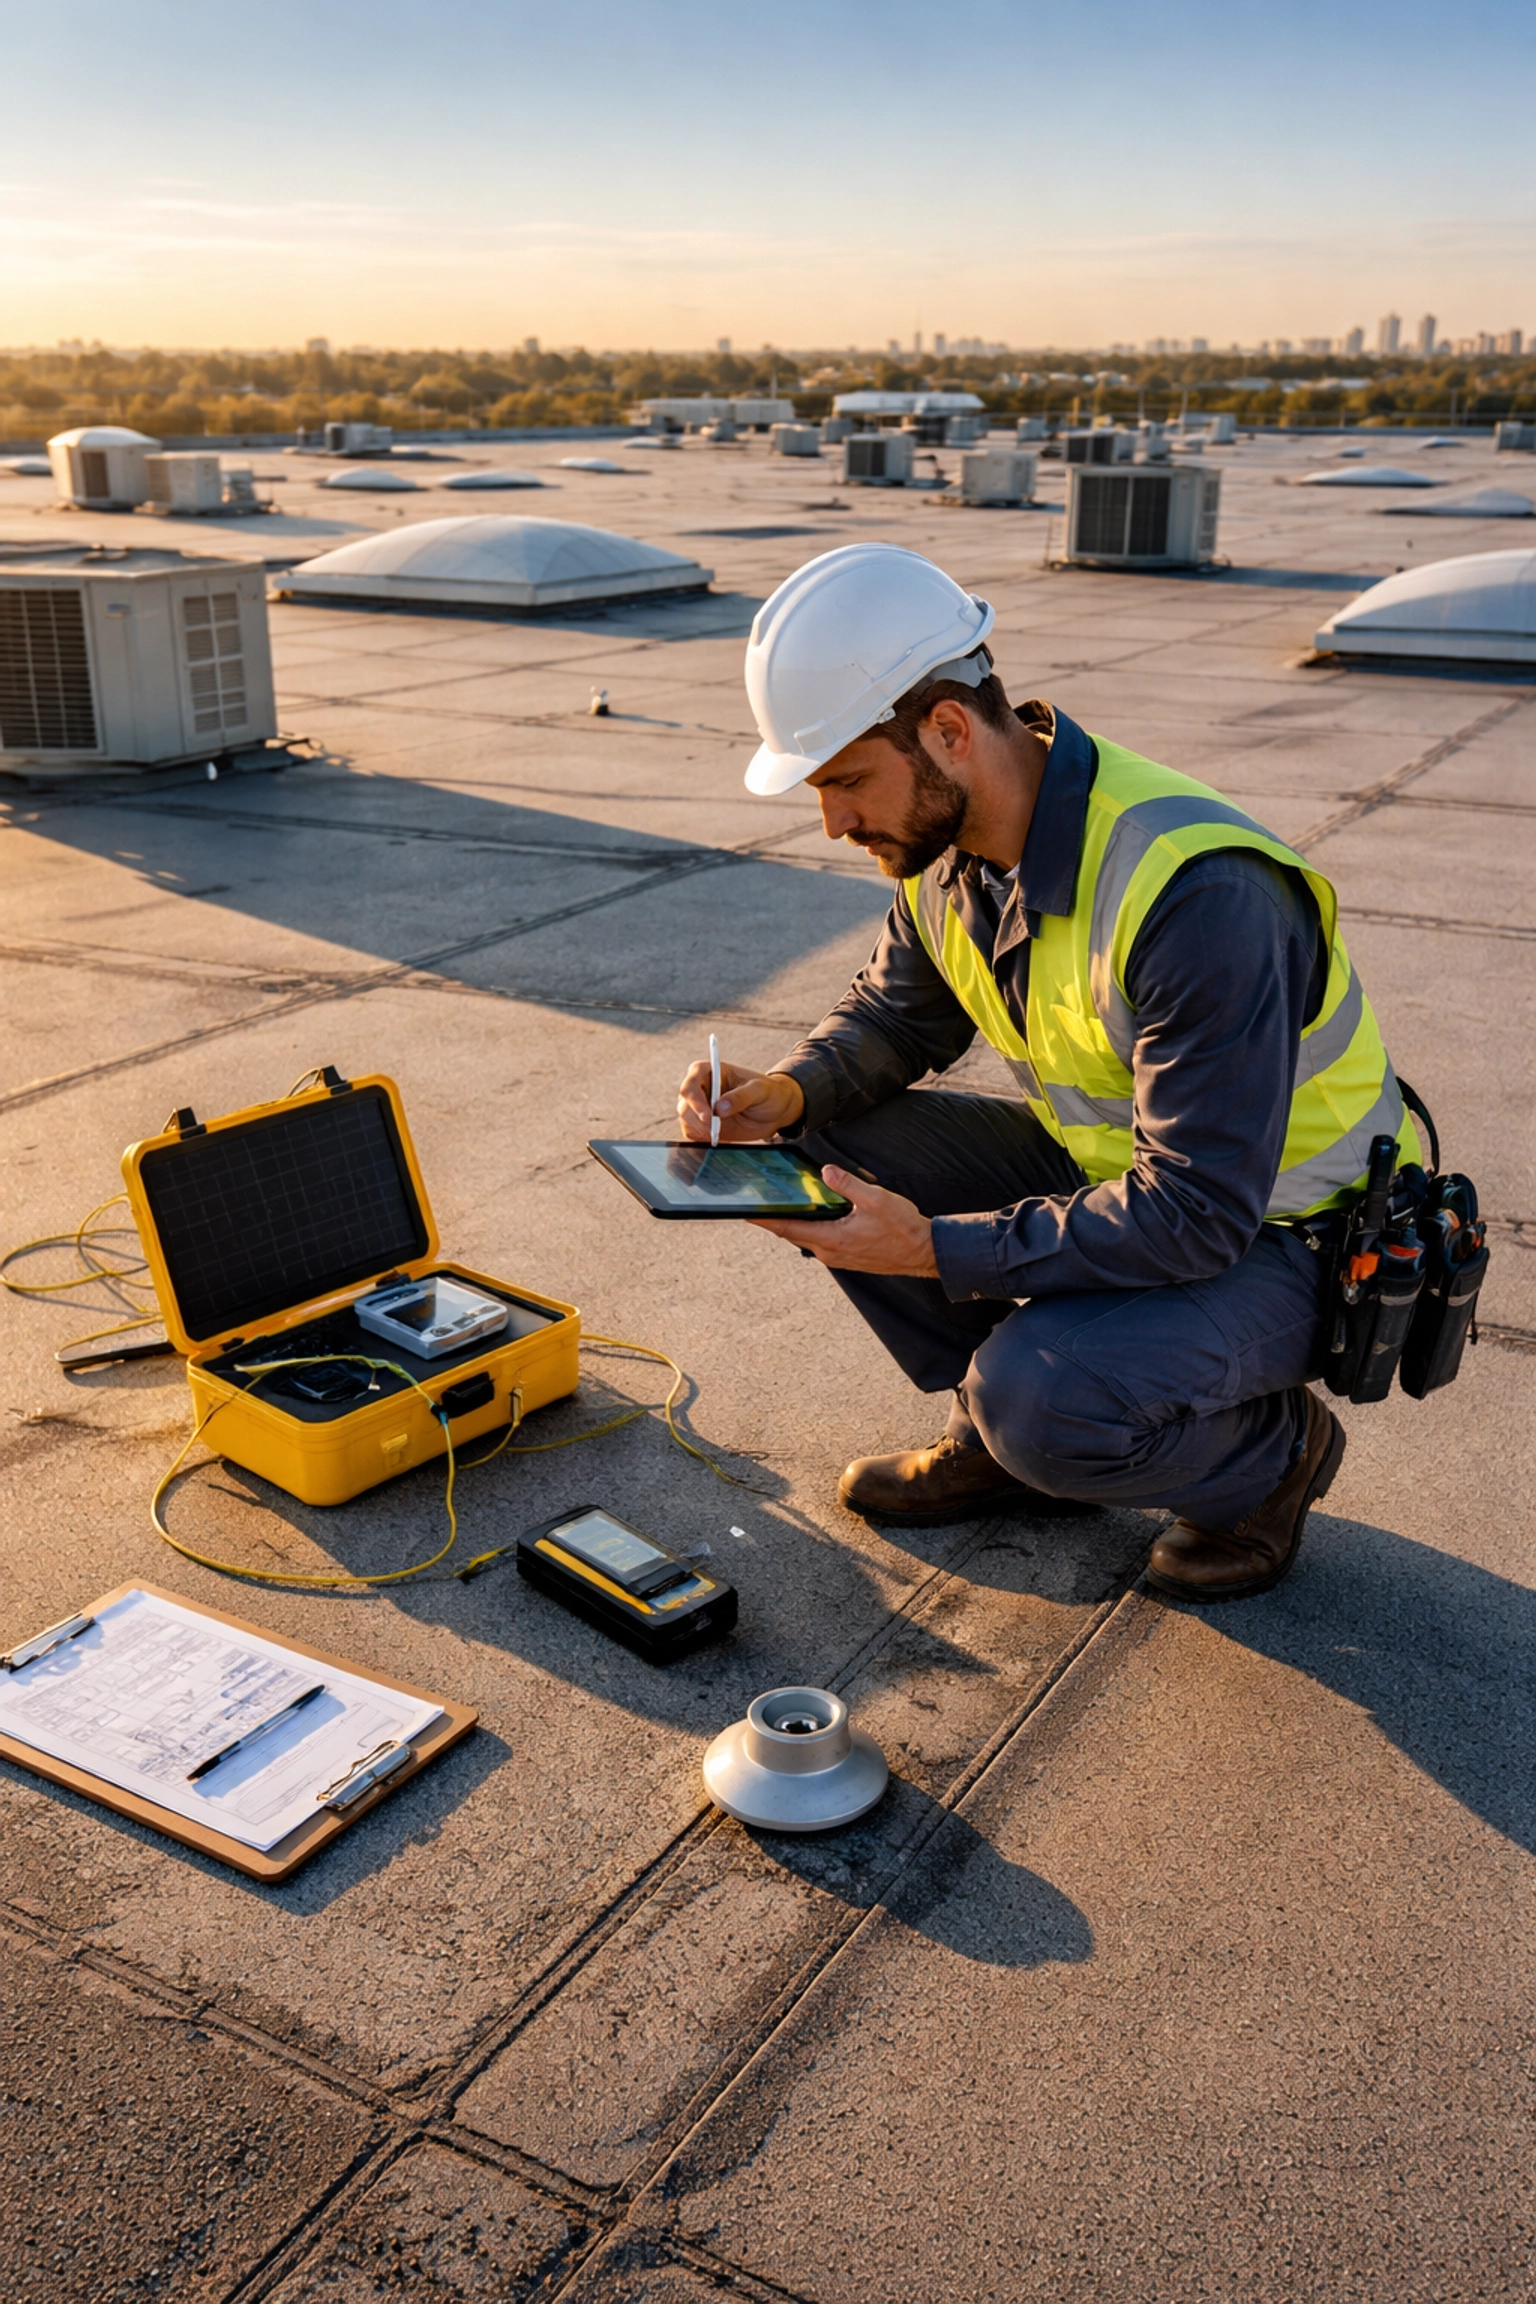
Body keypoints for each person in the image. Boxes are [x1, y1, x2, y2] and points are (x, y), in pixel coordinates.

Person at [676, 543, 1416, 1603]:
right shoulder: (948, 853)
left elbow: (1197, 1213)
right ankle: (997, 1435)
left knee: (1046, 1399)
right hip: (1128, 1181)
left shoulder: (1198, 894)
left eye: (844, 779)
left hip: (1293, 1232)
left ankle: (1267, 1460)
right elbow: (893, 1016)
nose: (831, 821)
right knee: (822, 1144)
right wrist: (782, 1094)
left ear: (947, 730)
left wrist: (931, 1248)